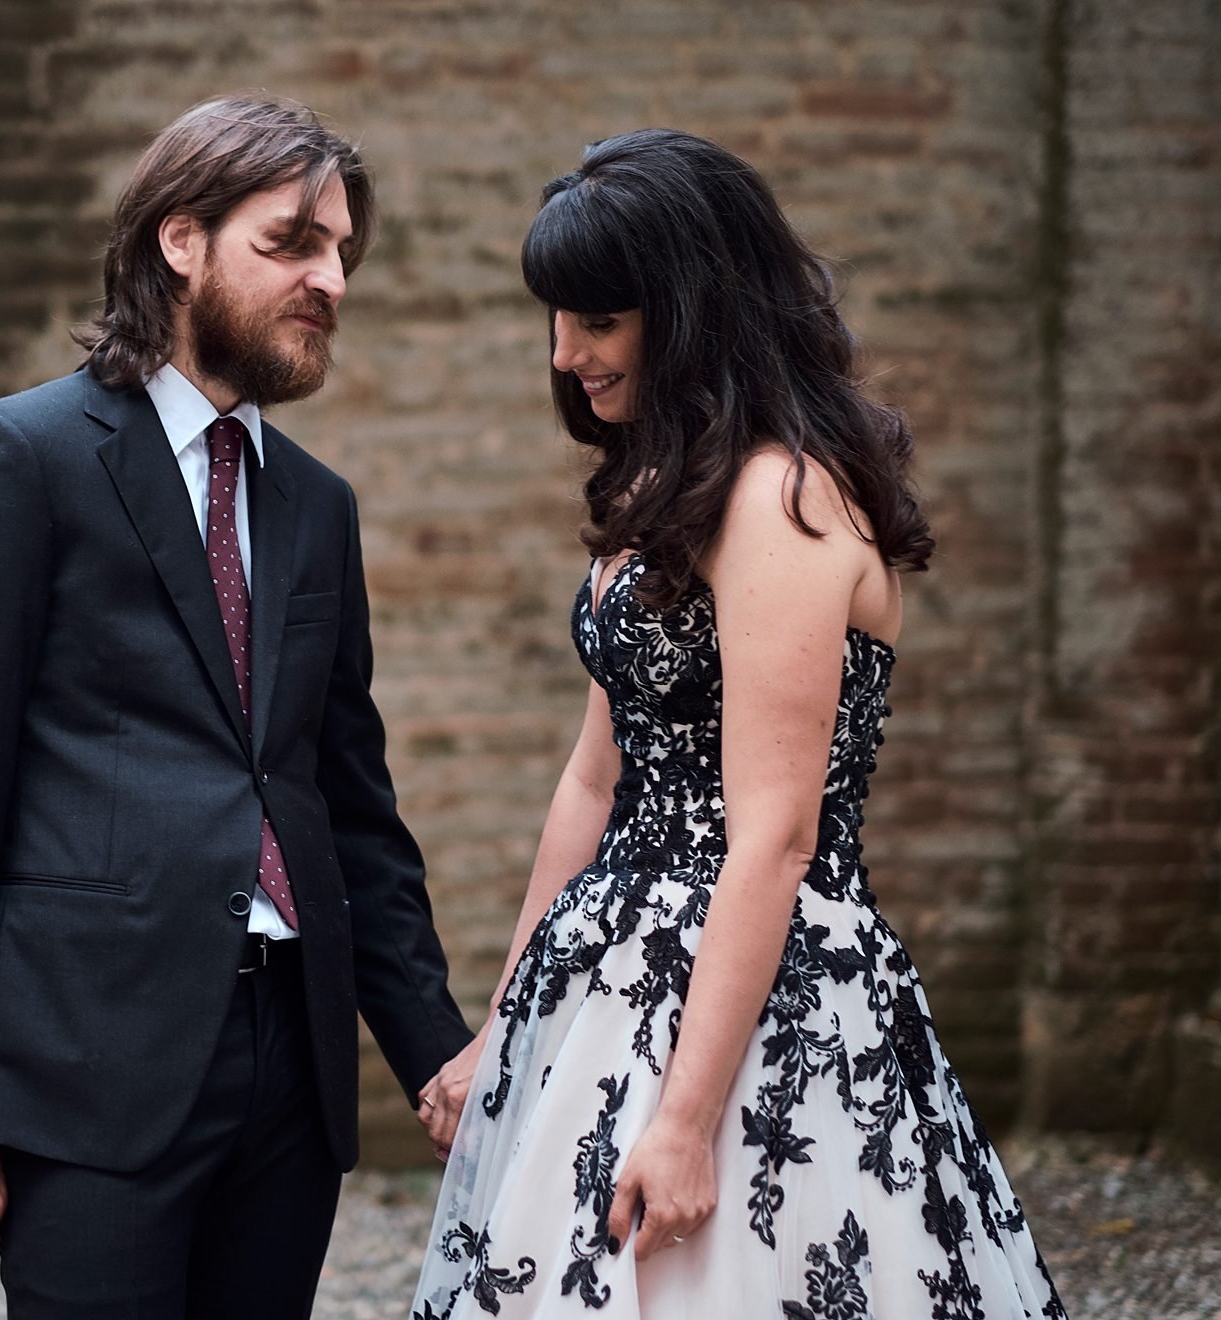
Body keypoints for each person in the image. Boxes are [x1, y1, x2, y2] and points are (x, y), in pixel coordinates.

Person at [409, 131, 1068, 1319]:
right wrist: (502, 1032)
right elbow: (591, 785)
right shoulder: (661, 489)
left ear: (691, 309)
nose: (566, 354)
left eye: (597, 320)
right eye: (556, 320)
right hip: (604, 976)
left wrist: (684, 1120)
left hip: (759, 1008)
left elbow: (773, 834)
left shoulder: (785, 495)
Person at [0, 95, 473, 1319]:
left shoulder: (317, 503)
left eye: (342, 251)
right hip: (93, 1061)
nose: (331, 278)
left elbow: (345, 800)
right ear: (178, 241)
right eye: (292, 241)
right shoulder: (17, 460)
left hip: (291, 1076)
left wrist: (434, 1052)